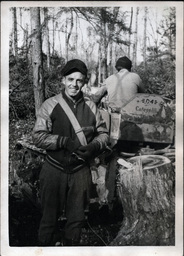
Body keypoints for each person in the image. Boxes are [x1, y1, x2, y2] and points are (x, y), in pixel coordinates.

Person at [32, 59, 109, 246]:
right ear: (63, 80)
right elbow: (38, 137)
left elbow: (104, 134)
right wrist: (63, 141)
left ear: (84, 83)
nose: (74, 85)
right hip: (53, 170)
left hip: (80, 171)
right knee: (49, 219)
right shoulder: (50, 105)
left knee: (76, 220)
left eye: (79, 80)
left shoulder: (91, 107)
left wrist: (93, 147)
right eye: (70, 79)